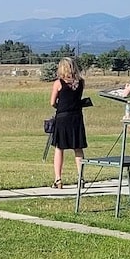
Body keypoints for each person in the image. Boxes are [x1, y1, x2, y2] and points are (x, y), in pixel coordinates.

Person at [49, 57, 87, 189]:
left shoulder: (58, 83)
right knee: (78, 148)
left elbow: (52, 102)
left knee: (59, 148)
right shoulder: (80, 82)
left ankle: (58, 179)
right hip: (76, 117)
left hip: (63, 117)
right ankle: (81, 178)